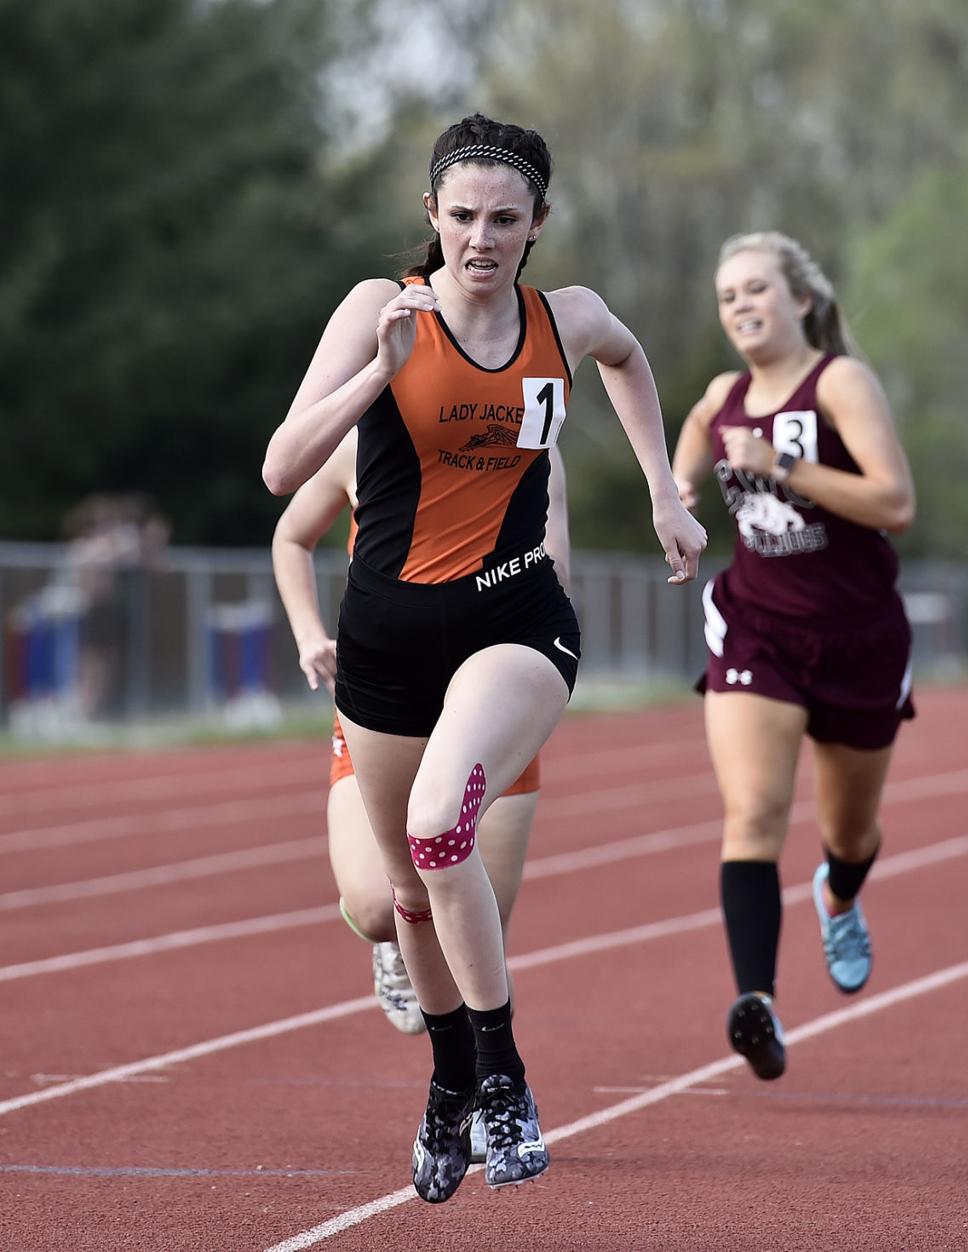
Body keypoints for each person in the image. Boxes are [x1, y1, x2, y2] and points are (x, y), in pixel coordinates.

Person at [262, 113, 706, 1201]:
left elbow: (631, 359)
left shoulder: (568, 320)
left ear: (538, 225)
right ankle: (450, 1080)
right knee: (404, 897)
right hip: (383, 636)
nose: (481, 237)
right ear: (430, 216)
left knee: (439, 828)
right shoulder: (377, 307)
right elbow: (281, 472)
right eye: (461, 215)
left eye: (506, 219)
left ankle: (504, 1076)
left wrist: (662, 490)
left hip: (514, 617)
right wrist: (380, 368)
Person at [671, 231, 915, 1082]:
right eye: (726, 295)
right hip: (757, 630)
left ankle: (839, 897)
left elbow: (894, 501)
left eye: (755, 290)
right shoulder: (722, 395)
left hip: (858, 638)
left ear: (801, 300)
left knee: (848, 832)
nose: (740, 306)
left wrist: (782, 464)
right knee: (754, 813)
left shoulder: (839, 382)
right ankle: (758, 1004)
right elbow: (694, 441)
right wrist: (680, 494)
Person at [270, 430, 571, 1038]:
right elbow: (291, 535)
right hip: (385, 691)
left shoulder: (531, 430)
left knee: (479, 941)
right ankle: (391, 943)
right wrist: (308, 634)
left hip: (491, 694)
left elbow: (555, 564)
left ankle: (486, 1100)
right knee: (383, 906)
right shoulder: (361, 438)